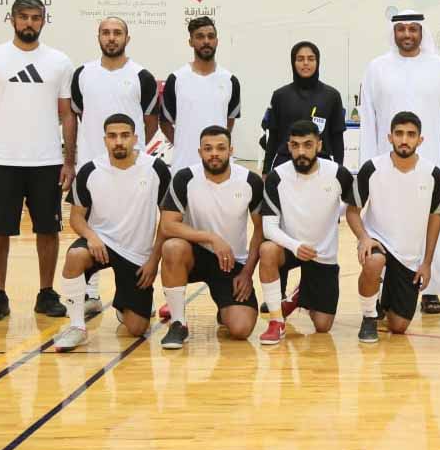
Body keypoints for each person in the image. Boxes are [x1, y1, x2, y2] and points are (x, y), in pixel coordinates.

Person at [0, 0, 76, 321]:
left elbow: (68, 116)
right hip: (2, 160)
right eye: (24, 17)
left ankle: (46, 293)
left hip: (46, 161)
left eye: (36, 17)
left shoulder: (59, 61)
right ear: (12, 19)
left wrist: (69, 161)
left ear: (44, 20)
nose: (29, 23)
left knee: (48, 230)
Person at [357, 8, 440, 315]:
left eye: (413, 29)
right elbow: (368, 117)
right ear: (394, 33)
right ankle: (381, 286)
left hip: (429, 162)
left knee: (429, 224)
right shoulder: (377, 68)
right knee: (384, 222)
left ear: (421, 33)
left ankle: (431, 289)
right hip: (385, 165)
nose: (407, 35)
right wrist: (366, 163)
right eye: (402, 30)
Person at [53, 114, 172, 351]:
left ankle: (124, 305)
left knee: (136, 329)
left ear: (135, 138)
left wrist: (153, 260)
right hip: (100, 245)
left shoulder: (155, 169)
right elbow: (76, 217)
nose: (119, 141)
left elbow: (167, 221)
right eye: (113, 136)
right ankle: (77, 327)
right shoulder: (90, 170)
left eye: (125, 135)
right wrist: (91, 236)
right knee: (76, 255)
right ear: (105, 139)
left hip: (137, 255)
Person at [69, 16, 159, 316]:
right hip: (93, 167)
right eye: (106, 33)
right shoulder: (82, 74)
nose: (111, 38)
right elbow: (80, 115)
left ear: (127, 38)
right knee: (92, 228)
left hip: (132, 170)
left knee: (130, 230)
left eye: (117, 33)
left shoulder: (142, 76)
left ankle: (127, 296)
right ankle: (90, 293)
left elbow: (149, 120)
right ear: (98, 37)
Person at [345, 111, 440, 341]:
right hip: (377, 241)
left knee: (399, 326)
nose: (405, 140)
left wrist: (427, 263)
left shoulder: (432, 174)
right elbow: (352, 211)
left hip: (408, 255)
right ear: (389, 137)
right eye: (399, 133)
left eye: (411, 134)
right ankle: (369, 316)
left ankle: (383, 301)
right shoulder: (372, 168)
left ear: (420, 140)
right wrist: (363, 237)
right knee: (374, 261)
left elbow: (436, 217)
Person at [157, 126, 264, 349]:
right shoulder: (185, 177)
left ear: (230, 151)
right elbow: (167, 224)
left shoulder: (249, 181)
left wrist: (247, 273)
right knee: (173, 247)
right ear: (200, 152)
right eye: (208, 149)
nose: (214, 153)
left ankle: (225, 309)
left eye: (220, 148)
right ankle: (178, 322)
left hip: (231, 262)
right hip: (193, 255)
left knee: (241, 329)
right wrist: (211, 238)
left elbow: (260, 231)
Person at [256, 120, 354, 345]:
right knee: (267, 249)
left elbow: (354, 205)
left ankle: (302, 292)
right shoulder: (276, 177)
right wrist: (295, 246)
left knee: (322, 326)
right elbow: (269, 228)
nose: (301, 151)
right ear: (288, 147)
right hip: (289, 248)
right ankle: (276, 321)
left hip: (322, 253)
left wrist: (334, 212)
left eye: (308, 145)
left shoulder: (338, 174)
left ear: (319, 145)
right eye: (295, 145)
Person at [161, 16, 242, 173]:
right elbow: (165, 123)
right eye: (200, 37)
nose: (206, 41)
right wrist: (183, 143)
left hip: (219, 166)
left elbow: (229, 121)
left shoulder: (230, 80)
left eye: (210, 37)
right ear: (190, 42)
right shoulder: (177, 78)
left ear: (217, 41)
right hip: (183, 164)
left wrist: (216, 147)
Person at [261, 40, 345, 171]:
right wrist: (266, 170)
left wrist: (340, 171)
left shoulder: (332, 96)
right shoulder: (280, 95)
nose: (305, 63)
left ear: (317, 62)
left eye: (311, 59)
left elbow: (337, 139)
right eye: (300, 59)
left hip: (321, 164)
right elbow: (272, 138)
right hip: (286, 164)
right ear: (293, 63)